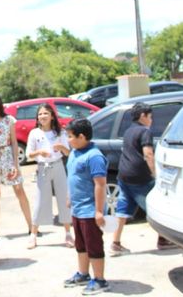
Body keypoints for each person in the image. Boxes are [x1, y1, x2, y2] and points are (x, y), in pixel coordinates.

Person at [110, 102, 175, 256]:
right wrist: (155, 174)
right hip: (140, 177)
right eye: (150, 116)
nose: (151, 120)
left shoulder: (128, 131)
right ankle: (163, 240)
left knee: (122, 210)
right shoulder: (145, 132)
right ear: (143, 116)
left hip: (124, 176)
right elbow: (148, 154)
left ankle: (115, 243)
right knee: (155, 208)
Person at [64, 119, 110, 295]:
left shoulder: (94, 156)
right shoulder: (75, 152)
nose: (68, 140)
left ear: (81, 136)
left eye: (70, 136)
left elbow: (100, 184)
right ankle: (83, 274)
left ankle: (100, 280)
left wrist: (98, 211)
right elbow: (73, 177)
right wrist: (69, 196)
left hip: (90, 211)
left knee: (94, 246)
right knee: (81, 245)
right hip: (77, 209)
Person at [0, 92, 32, 236]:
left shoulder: (8, 119)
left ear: (0, 103)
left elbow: (15, 142)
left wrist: (16, 164)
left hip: (8, 156)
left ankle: (31, 225)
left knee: (19, 190)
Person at [26, 103, 74, 249]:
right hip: (43, 168)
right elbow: (28, 155)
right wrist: (39, 153)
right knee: (41, 201)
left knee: (63, 199)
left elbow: (68, 153)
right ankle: (33, 234)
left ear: (52, 116)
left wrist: (61, 147)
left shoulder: (60, 133)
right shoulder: (34, 133)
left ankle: (68, 233)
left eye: (45, 113)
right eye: (40, 114)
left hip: (58, 166)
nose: (42, 116)